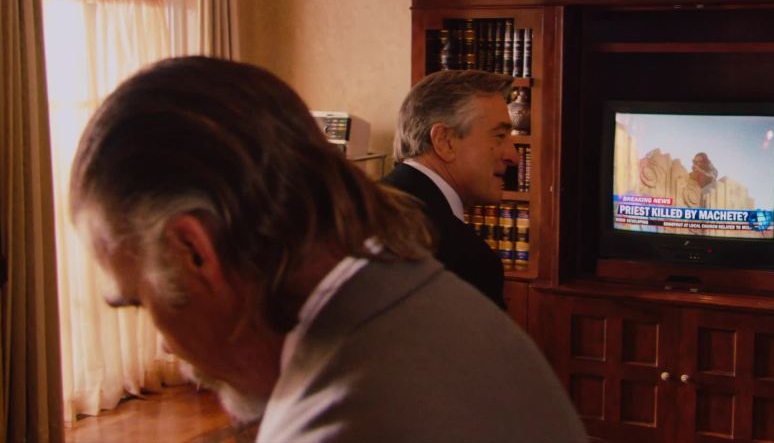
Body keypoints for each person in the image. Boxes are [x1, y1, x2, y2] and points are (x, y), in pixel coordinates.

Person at [70, 56, 587, 442]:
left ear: (196, 252)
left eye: (141, 300)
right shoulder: (409, 290)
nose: (166, 347)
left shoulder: (345, 420)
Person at [383, 70, 518, 309]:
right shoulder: (466, 260)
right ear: (444, 141)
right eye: (499, 136)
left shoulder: (357, 207)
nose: (513, 156)